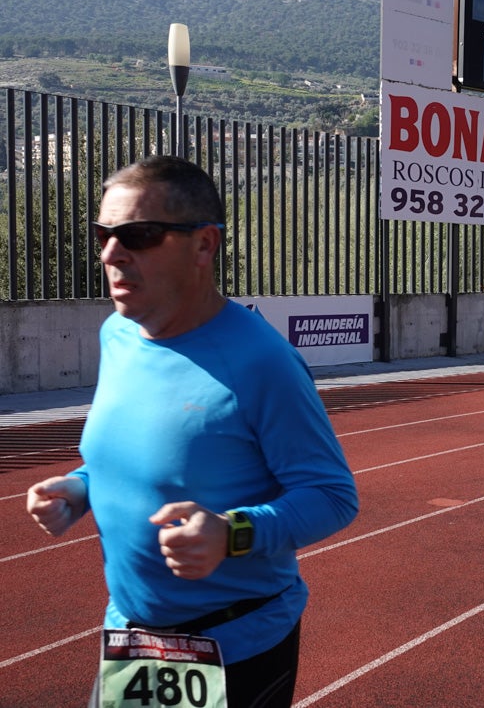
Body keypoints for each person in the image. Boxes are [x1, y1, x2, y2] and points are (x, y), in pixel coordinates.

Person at [25, 156, 360, 707]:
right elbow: (142, 454)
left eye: (140, 234)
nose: (111, 254)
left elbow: (332, 496)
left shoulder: (263, 363)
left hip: (234, 647)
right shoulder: (118, 335)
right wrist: (81, 487)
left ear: (205, 245)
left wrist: (232, 534)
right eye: (104, 234)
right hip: (132, 641)